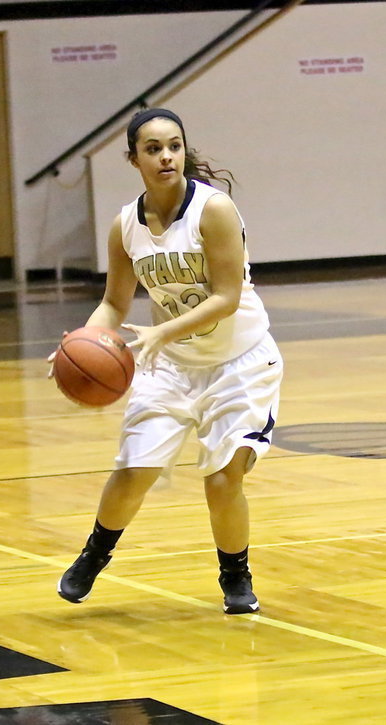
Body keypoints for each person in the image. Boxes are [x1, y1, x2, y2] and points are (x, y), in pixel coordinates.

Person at [53, 107, 282, 615]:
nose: (166, 157)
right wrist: (82, 341)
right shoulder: (125, 225)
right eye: (153, 149)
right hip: (172, 364)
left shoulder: (214, 210)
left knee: (223, 478)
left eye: (174, 146)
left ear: (184, 151)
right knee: (136, 469)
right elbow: (115, 302)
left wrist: (161, 330)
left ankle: (235, 573)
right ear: (133, 158)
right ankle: (95, 553)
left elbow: (225, 296)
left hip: (239, 362)